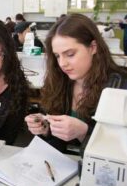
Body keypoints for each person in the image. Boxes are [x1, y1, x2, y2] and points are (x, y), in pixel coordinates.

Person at [24, 13, 127, 154]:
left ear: (93, 47)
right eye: (57, 56)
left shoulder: (119, 87)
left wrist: (84, 133)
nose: (62, 63)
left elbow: (118, 149)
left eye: (70, 54)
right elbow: (57, 144)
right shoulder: (60, 81)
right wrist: (46, 129)